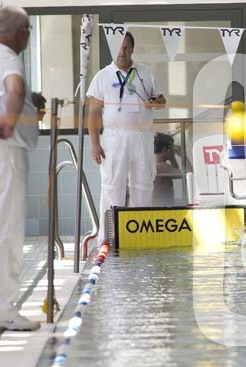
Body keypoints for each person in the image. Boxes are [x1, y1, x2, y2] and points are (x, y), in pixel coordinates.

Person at [0, 6, 40, 331]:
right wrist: (9, 121)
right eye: (28, 31)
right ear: (21, 32)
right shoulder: (9, 59)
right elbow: (15, 90)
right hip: (6, 154)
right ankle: (1, 309)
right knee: (7, 231)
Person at [87, 31, 166, 246]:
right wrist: (94, 144)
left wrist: (156, 102)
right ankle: (109, 239)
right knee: (113, 187)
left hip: (142, 137)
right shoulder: (102, 76)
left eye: (126, 47)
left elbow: (162, 101)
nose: (122, 52)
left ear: (132, 49)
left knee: (143, 185)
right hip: (114, 139)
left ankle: (141, 237)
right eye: (119, 47)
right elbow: (93, 113)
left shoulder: (145, 72)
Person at [153, 133, 191, 206]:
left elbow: (175, 174)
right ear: (164, 149)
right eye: (172, 148)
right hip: (163, 207)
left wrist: (172, 157)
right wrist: (183, 155)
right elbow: (189, 173)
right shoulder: (162, 166)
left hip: (165, 205)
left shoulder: (158, 165)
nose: (174, 150)